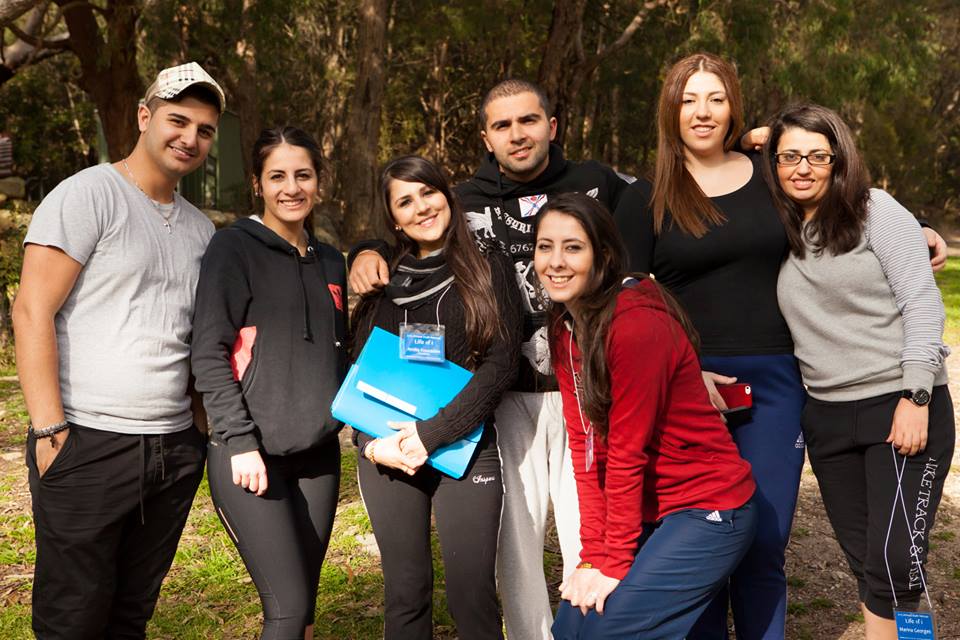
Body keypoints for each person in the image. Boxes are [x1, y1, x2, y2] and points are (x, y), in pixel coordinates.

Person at [613, 53, 948, 640]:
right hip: (690, 384)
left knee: (765, 537)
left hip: (776, 382)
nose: (702, 111)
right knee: (702, 534)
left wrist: (915, 227)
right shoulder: (646, 196)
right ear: (669, 110)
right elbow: (629, 301)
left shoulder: (766, 176)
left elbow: (837, 187)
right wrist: (683, 372)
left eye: (716, 98)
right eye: (688, 99)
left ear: (734, 108)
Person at [349, 79, 631, 639]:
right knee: (515, 549)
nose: (517, 134)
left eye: (528, 120)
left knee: (591, 537)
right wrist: (366, 249)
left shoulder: (599, 183)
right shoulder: (466, 200)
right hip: (505, 404)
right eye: (502, 125)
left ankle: (603, 631)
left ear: (552, 125)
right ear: (485, 138)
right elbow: (406, 239)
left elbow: (665, 207)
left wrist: (747, 150)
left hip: (585, 387)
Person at [13, 62, 224, 639]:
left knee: (131, 616)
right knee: (72, 620)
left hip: (173, 450)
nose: (190, 138)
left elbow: (193, 333)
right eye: (178, 121)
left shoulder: (201, 230)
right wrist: (50, 430)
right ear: (144, 116)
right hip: (88, 441)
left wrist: (197, 428)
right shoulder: (87, 195)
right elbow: (31, 310)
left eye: (205, 130)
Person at [766, 103, 954, 640]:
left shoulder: (875, 210)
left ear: (839, 159)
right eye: (789, 156)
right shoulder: (774, 226)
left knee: (897, 562)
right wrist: (758, 136)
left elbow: (923, 304)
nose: (803, 167)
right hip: (827, 417)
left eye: (818, 156)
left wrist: (917, 396)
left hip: (899, 406)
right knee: (867, 563)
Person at [533, 192, 757, 639]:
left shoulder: (635, 326)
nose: (555, 262)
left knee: (604, 634)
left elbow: (625, 452)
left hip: (707, 507)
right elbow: (586, 450)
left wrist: (613, 562)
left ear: (603, 256)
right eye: (545, 246)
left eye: (573, 247)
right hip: (650, 511)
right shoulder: (564, 328)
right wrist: (592, 555)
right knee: (569, 630)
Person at [351, 155, 522, 640]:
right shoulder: (383, 278)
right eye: (405, 201)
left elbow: (501, 365)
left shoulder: (489, 266)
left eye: (428, 192)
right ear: (393, 219)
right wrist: (372, 444)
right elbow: (361, 370)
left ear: (447, 194)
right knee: (405, 592)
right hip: (387, 450)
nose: (422, 207)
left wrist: (431, 434)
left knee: (472, 595)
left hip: (464, 447)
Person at [190, 126, 345, 640]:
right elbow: (208, 351)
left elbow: (339, 349)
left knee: (305, 606)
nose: (291, 188)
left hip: (319, 457)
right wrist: (239, 442)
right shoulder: (233, 248)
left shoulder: (330, 261)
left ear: (319, 181)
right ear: (258, 184)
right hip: (251, 457)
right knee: (287, 607)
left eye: (303, 175)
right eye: (277, 176)